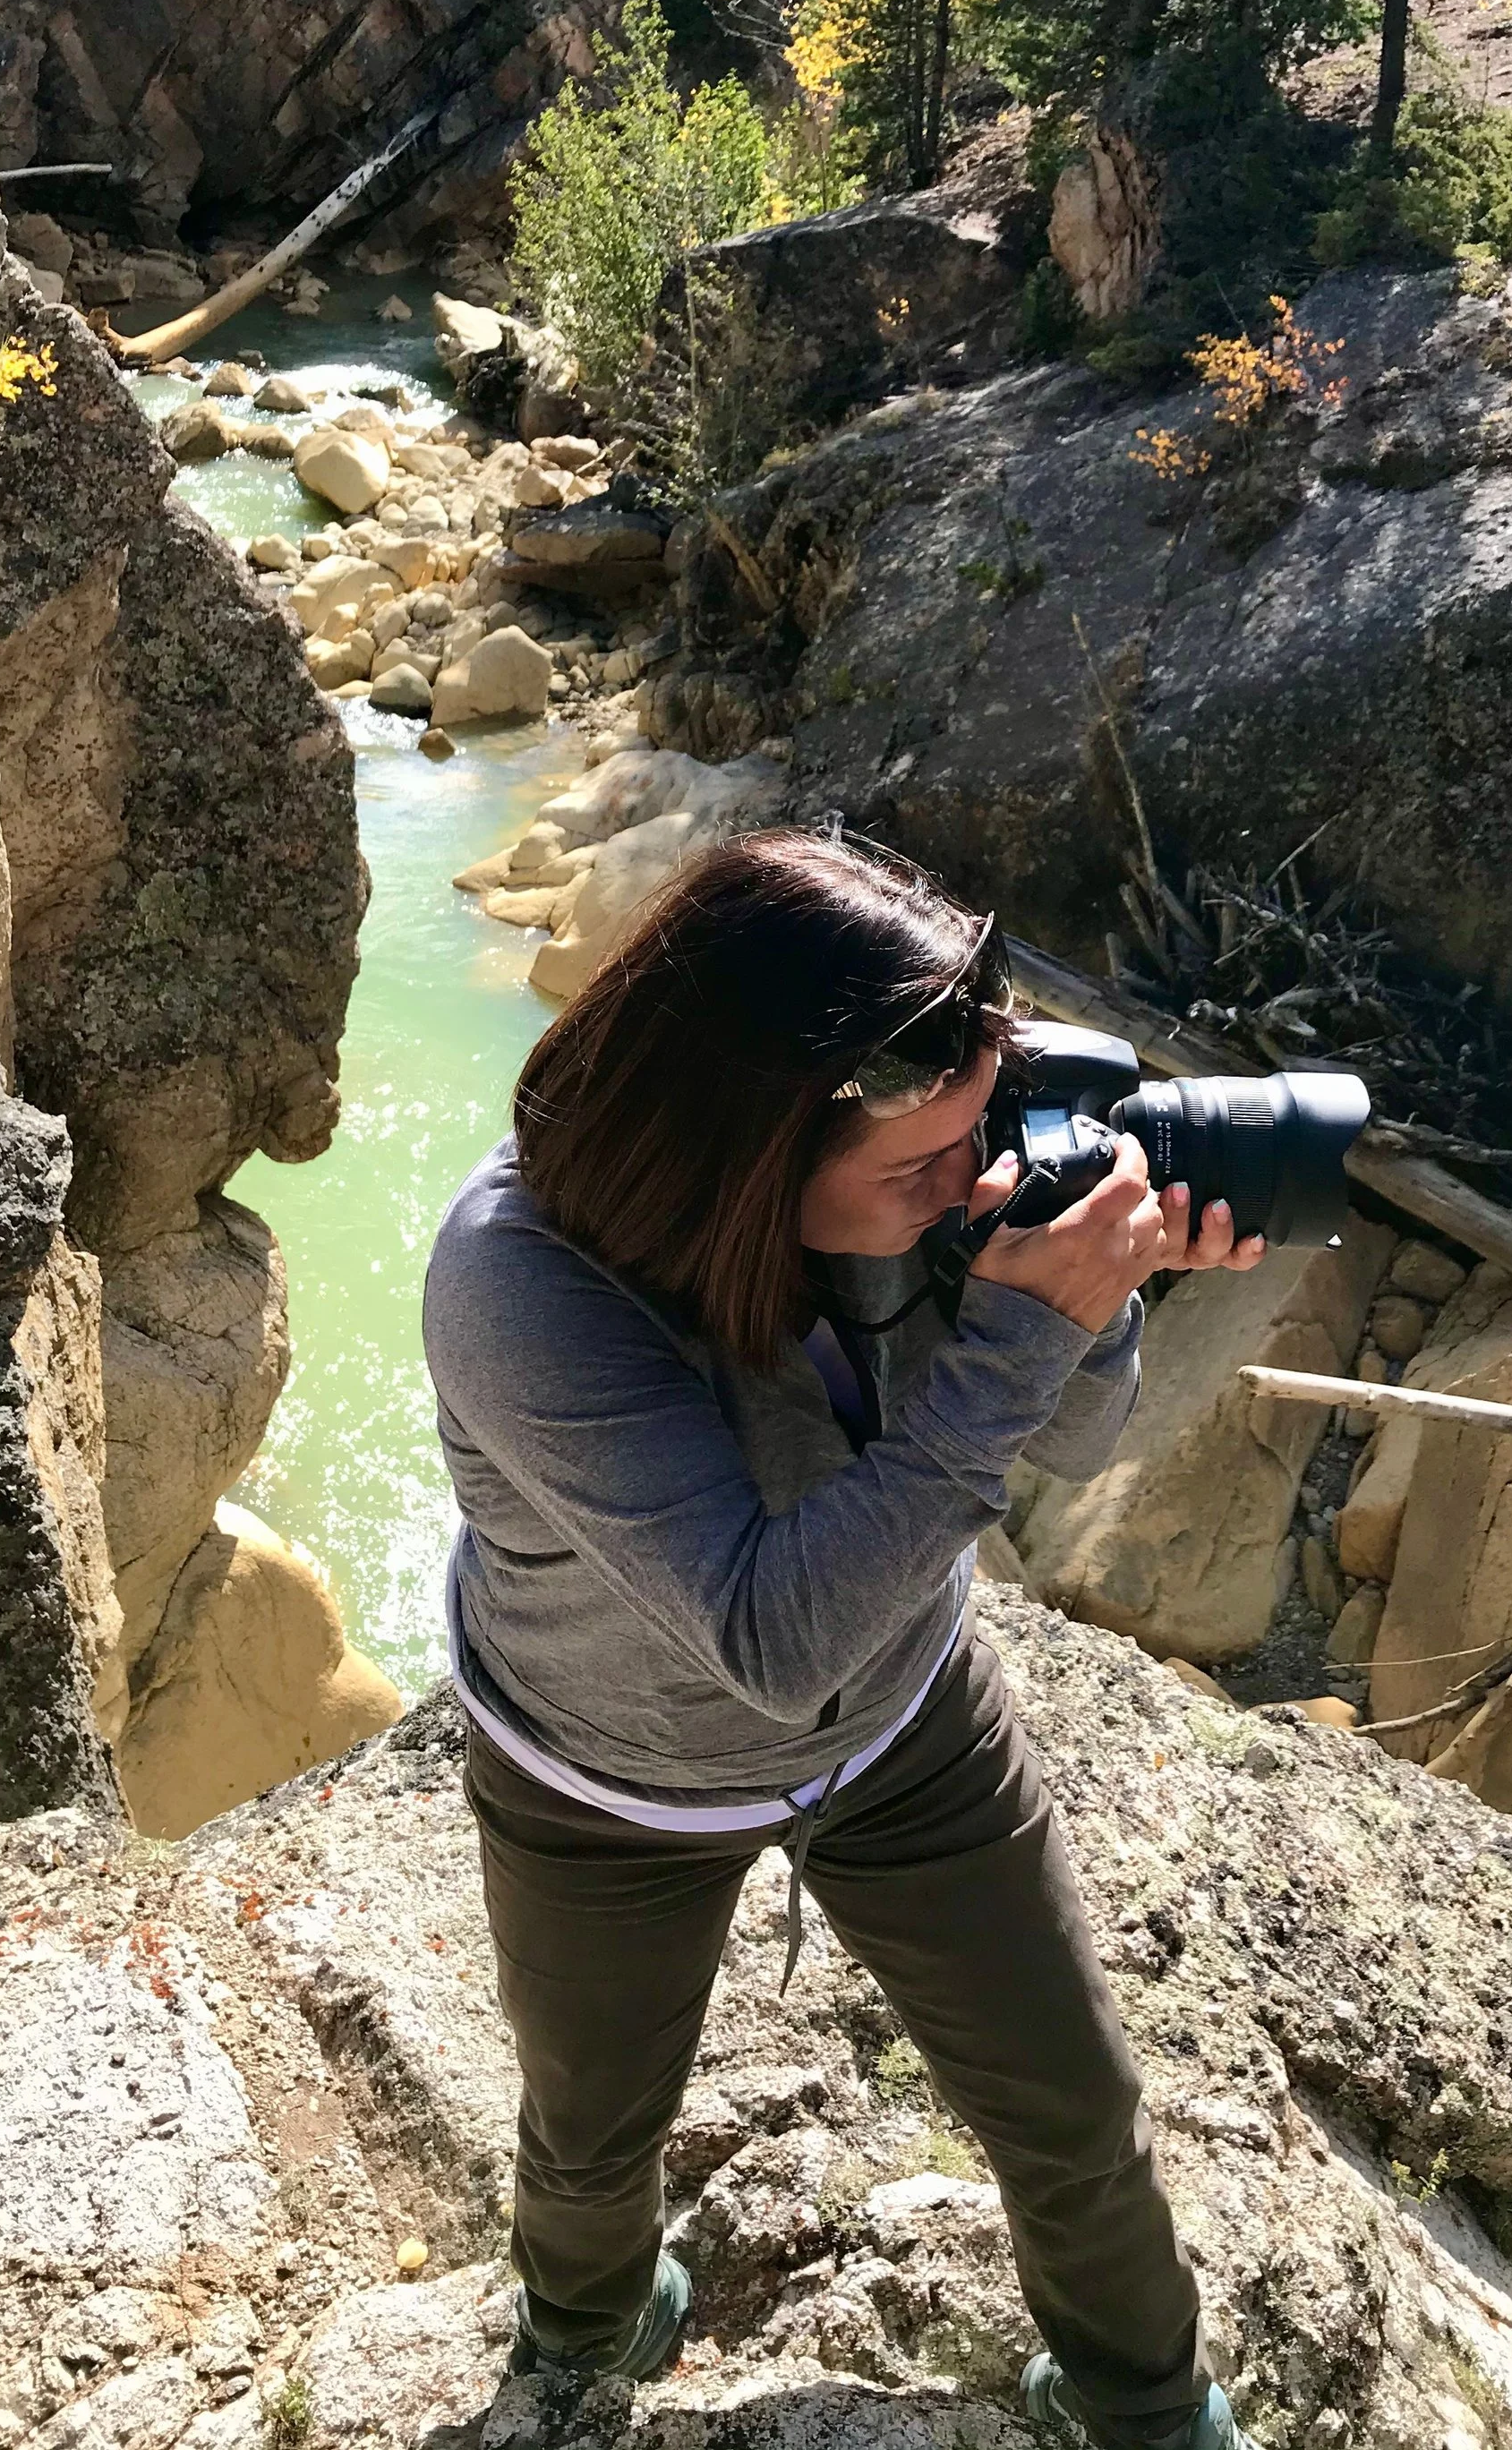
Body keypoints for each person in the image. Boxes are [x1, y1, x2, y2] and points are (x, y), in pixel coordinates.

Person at [423, 828, 1269, 2450]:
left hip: (905, 1725)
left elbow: (1079, 1449)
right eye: (918, 1171)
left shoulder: (940, 1164)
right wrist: (1019, 1333)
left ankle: (1147, 2408)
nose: (964, 1186)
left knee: (1075, 2112)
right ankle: (590, 2330)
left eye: (973, 1145)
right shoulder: (515, 1288)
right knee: (594, 2140)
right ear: (751, 1153)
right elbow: (772, 1631)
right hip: (608, 1782)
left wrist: (1096, 1289)